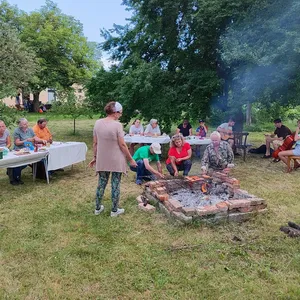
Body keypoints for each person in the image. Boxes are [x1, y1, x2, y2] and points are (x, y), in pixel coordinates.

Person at [89, 101, 137, 217]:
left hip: (102, 158)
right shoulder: (117, 125)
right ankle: (114, 210)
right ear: (115, 112)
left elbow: (95, 143)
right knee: (115, 184)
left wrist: (95, 157)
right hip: (116, 159)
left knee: (101, 183)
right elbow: (122, 145)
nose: (120, 115)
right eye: (120, 113)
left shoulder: (97, 123)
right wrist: (130, 159)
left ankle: (97, 208)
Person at [8, 118, 46, 185]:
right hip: (19, 150)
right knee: (22, 164)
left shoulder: (30, 130)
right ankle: (15, 176)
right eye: (24, 124)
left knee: (39, 158)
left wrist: (42, 140)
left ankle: (42, 174)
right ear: (20, 125)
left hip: (29, 149)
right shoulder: (17, 131)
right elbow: (17, 143)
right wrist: (26, 140)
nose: (26, 125)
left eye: (27, 123)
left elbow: (35, 137)